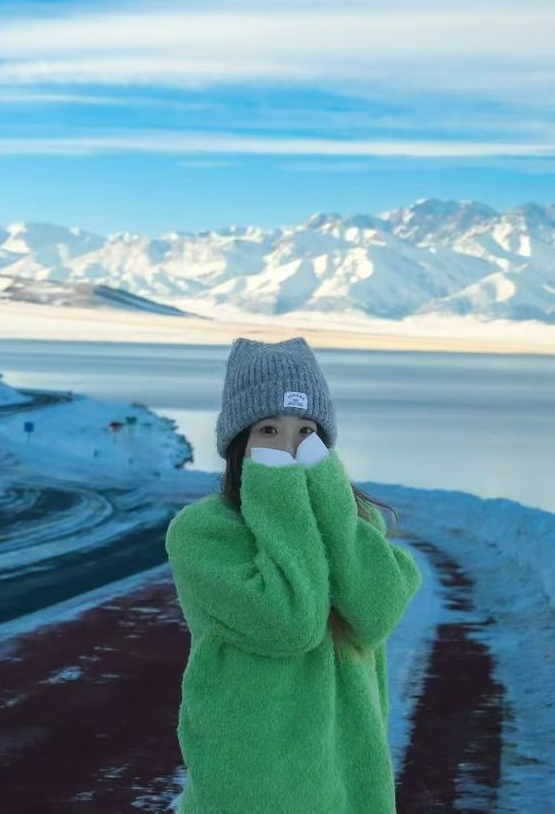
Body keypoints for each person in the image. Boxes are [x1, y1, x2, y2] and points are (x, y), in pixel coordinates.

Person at [165, 336, 423, 813]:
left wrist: (331, 507)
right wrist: (280, 493)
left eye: (307, 432)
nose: (289, 448)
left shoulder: (353, 526)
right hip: (255, 775)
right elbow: (290, 624)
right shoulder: (204, 533)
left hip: (351, 772)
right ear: (239, 444)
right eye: (268, 431)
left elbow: (377, 613)